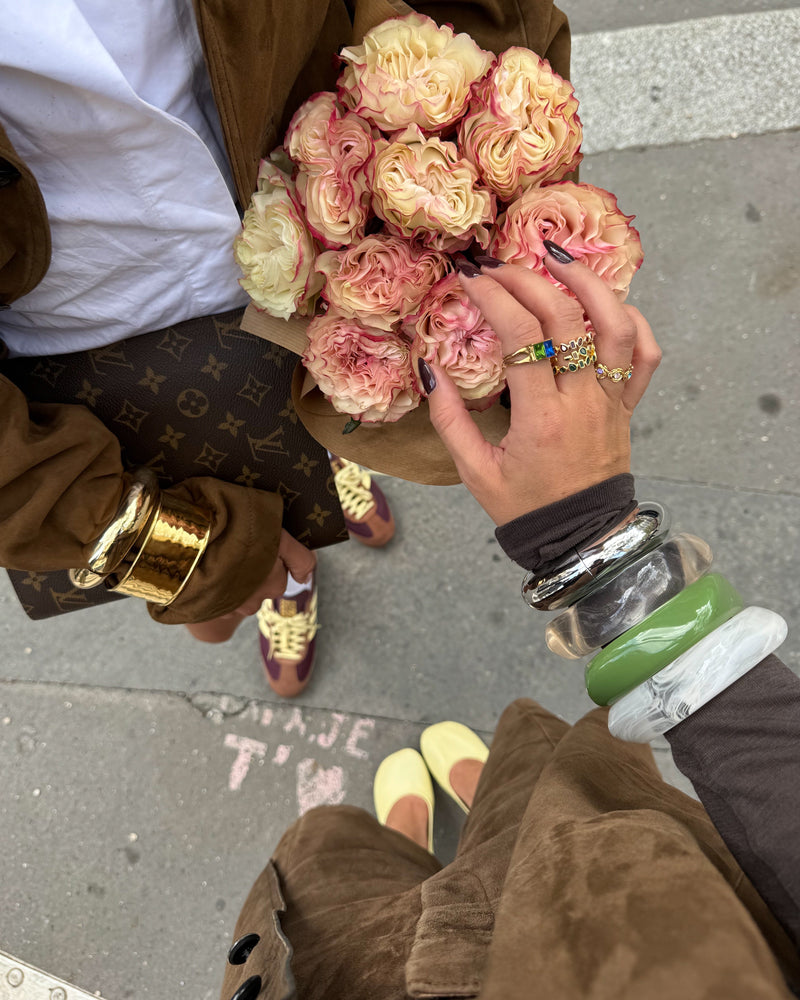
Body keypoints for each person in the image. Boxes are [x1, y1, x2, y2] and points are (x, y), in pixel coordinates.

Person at [218, 249, 800, 1000]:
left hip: (358, 974)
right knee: (539, 789)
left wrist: (597, 548)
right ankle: (496, 807)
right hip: (611, 887)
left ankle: (417, 842)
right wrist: (604, 556)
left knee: (325, 856)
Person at [0, 0, 569, 695]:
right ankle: (289, 586)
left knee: (350, 403)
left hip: (324, 221)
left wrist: (508, 172)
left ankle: (330, 467)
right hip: (98, 346)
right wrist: (162, 550)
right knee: (233, 566)